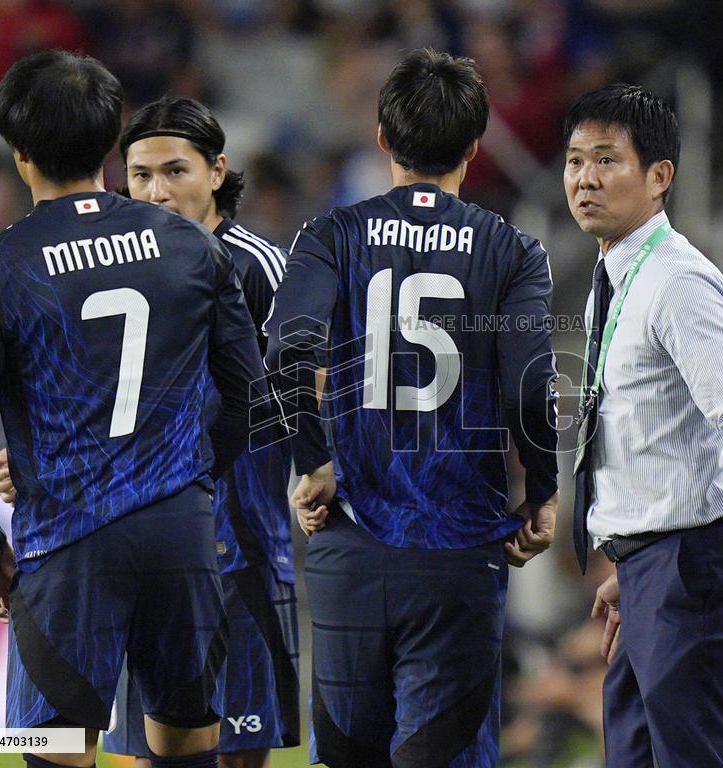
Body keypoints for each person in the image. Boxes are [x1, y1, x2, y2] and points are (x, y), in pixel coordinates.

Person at [0, 51, 265, 768]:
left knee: (57, 751)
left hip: (67, 542)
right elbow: (249, 393)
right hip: (181, 538)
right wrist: (196, 481)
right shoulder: (190, 244)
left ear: (20, 154)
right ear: (113, 143)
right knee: (185, 748)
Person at [265, 47, 560, 768]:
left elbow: (282, 358)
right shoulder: (514, 251)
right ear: (473, 146)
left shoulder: (330, 235)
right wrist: (544, 495)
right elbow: (530, 389)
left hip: (351, 546)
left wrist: (315, 463)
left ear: (383, 140)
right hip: (460, 554)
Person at [564, 83, 723, 768]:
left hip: (689, 566)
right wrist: (632, 556)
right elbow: (654, 426)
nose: (585, 178)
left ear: (660, 176)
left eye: (607, 160)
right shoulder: (615, 272)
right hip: (652, 568)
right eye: (576, 160)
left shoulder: (678, 281)